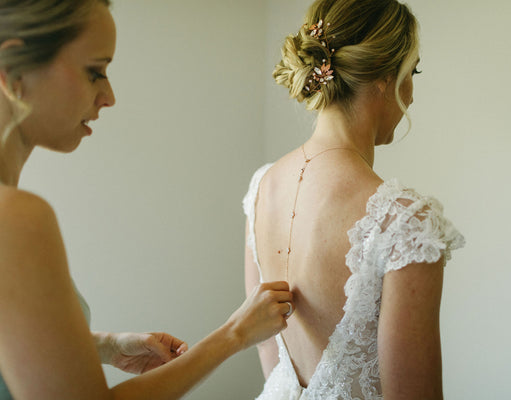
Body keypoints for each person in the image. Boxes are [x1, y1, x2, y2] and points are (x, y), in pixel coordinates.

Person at [0, 1, 294, 399]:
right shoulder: (16, 219)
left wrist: (104, 346)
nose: (109, 96)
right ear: (13, 69)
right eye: (94, 72)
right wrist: (234, 334)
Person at [243, 0, 465, 398]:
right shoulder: (405, 223)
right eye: (411, 72)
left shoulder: (263, 187)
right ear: (383, 77)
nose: (411, 95)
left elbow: (265, 342)